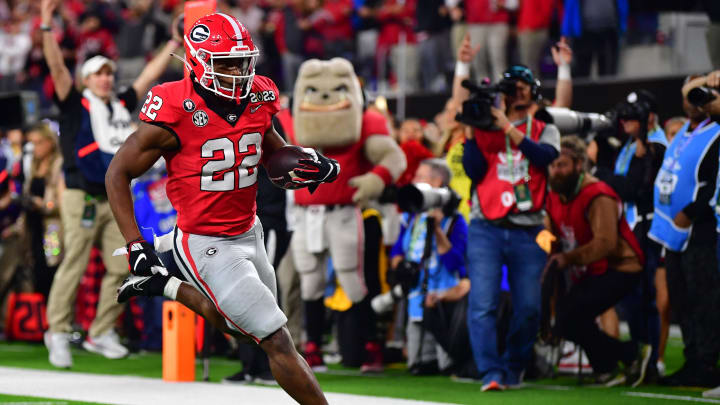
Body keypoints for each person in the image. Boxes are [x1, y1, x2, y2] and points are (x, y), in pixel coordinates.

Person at [106, 13, 332, 405]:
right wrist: (135, 244)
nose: (237, 71)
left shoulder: (260, 94)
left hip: (250, 229)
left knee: (246, 331)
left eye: (241, 60)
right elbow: (117, 173)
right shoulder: (174, 107)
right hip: (206, 241)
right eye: (224, 62)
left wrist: (310, 164)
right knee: (276, 337)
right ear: (196, 61)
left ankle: (165, 285)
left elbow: (271, 152)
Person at [40, 0, 183, 369]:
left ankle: (100, 330)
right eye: (98, 74)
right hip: (78, 196)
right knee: (72, 261)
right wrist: (44, 23)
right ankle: (56, 330)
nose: (105, 78)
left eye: (108, 72)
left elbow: (148, 76)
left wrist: (173, 44)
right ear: (86, 80)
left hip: (112, 199)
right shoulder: (75, 104)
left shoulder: (120, 104)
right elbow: (56, 66)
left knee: (121, 266)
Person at [461, 64, 560, 391]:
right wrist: (473, 132)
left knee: (530, 307)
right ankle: (490, 371)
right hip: (485, 226)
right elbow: (474, 171)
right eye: (511, 86)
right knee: (483, 304)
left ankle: (514, 365)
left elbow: (545, 158)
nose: (517, 91)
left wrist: (508, 128)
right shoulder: (484, 127)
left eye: (522, 86)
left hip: (529, 229)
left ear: (533, 90)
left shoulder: (545, 127)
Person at [544, 135, 652, 387]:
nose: (556, 171)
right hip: (589, 265)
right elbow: (549, 233)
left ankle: (630, 353)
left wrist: (567, 258)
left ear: (579, 165)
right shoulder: (556, 195)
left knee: (570, 316)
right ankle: (608, 365)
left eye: (562, 165)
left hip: (621, 266)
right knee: (567, 317)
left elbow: (606, 243)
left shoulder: (597, 194)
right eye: (553, 166)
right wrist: (547, 243)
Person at [648, 73, 720, 388]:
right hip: (671, 230)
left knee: (703, 297)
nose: (694, 102)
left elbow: (713, 182)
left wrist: (691, 212)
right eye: (690, 97)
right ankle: (693, 360)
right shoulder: (682, 133)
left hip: (701, 227)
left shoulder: (716, 131)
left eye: (700, 96)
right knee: (681, 297)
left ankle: (706, 362)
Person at [598, 89, 667, 380]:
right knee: (630, 297)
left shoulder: (657, 145)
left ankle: (652, 358)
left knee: (647, 297)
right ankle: (638, 356)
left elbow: (634, 189)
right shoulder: (629, 145)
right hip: (627, 228)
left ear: (648, 117)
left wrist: (607, 177)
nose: (624, 121)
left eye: (632, 116)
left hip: (646, 229)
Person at [389, 158, 468, 375]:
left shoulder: (455, 220)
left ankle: (445, 362)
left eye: (420, 177)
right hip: (416, 288)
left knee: (445, 358)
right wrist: (400, 267)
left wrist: (438, 230)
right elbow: (397, 249)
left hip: (444, 292)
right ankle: (417, 361)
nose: (414, 181)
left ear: (437, 181)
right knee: (414, 338)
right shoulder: (413, 216)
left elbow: (455, 262)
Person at [23, 123, 64, 297]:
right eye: (31, 143)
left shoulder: (59, 165)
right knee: (36, 270)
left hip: (52, 230)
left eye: (38, 142)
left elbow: (61, 204)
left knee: (52, 267)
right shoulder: (33, 165)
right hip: (34, 228)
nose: (35, 148)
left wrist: (43, 205)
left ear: (50, 142)